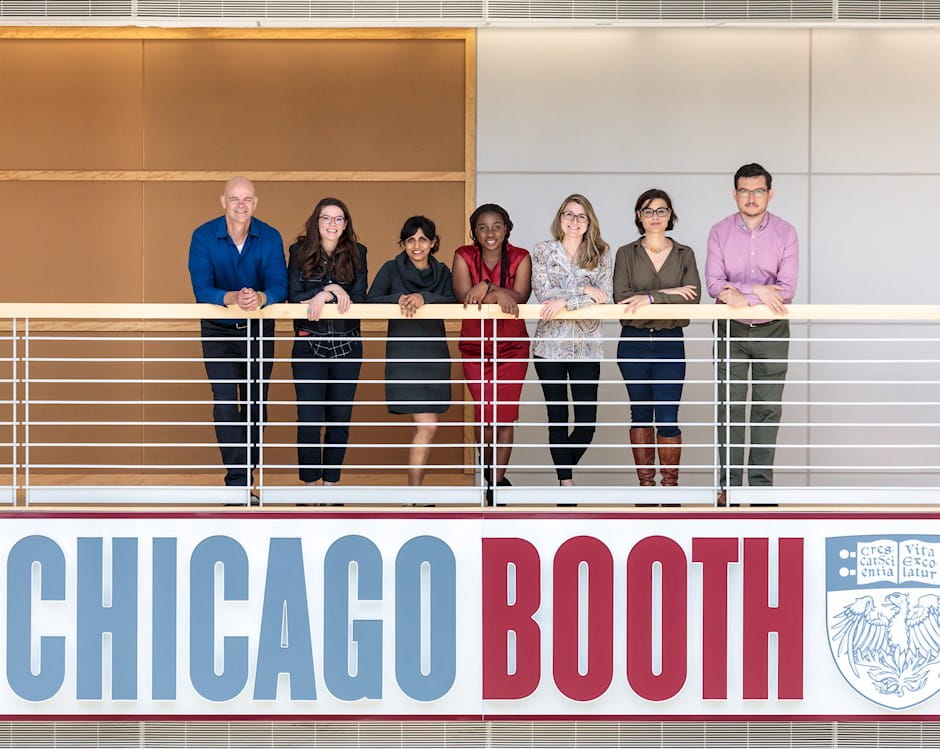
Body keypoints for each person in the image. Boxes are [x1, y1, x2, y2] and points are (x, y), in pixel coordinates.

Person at [705, 163, 799, 499]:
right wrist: (760, 290)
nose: (751, 197)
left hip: (772, 331)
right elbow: (714, 284)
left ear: (770, 194)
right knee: (729, 408)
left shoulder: (786, 232)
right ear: (735, 194)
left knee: (767, 410)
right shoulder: (719, 231)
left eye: (758, 190)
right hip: (730, 330)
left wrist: (745, 293)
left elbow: (786, 289)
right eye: (744, 190)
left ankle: (760, 491)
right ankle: (728, 489)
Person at [188, 176, 287, 490]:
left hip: (258, 329)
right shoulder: (203, 236)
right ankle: (238, 482)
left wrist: (261, 298)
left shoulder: (270, 236)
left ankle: (247, 472)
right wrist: (232, 298)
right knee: (226, 403)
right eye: (234, 199)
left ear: (255, 203)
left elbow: (280, 286)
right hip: (218, 331)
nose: (241, 205)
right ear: (223, 202)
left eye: (247, 199)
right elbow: (202, 289)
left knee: (256, 404)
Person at [614, 188, 701, 487]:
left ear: (670, 215)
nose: (655, 216)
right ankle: (646, 487)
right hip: (633, 341)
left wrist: (650, 298)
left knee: (667, 416)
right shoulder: (626, 253)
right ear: (639, 216)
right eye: (648, 211)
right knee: (640, 414)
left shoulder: (684, 253)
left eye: (661, 210)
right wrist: (669, 293)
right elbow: (622, 298)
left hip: (669, 341)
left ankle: (670, 488)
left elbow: (692, 298)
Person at [367, 216, 457, 486]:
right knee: (428, 425)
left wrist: (423, 298)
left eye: (423, 239)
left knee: (424, 427)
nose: (416, 245)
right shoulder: (391, 269)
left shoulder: (443, 272)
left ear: (433, 242)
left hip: (434, 357)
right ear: (403, 243)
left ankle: (415, 493)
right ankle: (414, 493)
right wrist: (399, 299)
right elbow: (370, 301)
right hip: (403, 357)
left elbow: (453, 301)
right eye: (410, 240)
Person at [532, 194, 613, 487]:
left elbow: (605, 296)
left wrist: (566, 301)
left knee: (586, 424)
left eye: (581, 216)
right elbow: (543, 294)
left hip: (587, 347)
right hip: (549, 347)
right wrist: (585, 292)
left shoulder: (601, 253)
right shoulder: (542, 251)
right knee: (557, 418)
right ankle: (565, 484)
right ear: (560, 218)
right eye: (569, 214)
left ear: (589, 222)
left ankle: (562, 474)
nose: (574, 221)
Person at [452, 204, 531, 501]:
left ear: (506, 228)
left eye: (497, 226)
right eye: (482, 227)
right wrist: (495, 292)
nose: (490, 232)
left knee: (505, 416)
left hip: (512, 347)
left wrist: (487, 288)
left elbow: (520, 296)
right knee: (485, 415)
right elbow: (465, 297)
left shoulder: (521, 256)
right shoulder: (463, 255)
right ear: (474, 231)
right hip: (475, 347)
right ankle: (489, 473)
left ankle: (496, 485)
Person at [288, 197, 368, 487]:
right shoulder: (298, 251)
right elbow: (293, 296)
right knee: (309, 420)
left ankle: (331, 486)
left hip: (348, 345)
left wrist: (329, 291)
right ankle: (310, 487)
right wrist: (327, 291)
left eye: (338, 219)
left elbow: (359, 298)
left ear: (345, 224)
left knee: (339, 420)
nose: (332, 224)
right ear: (316, 222)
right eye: (326, 218)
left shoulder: (358, 252)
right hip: (309, 344)